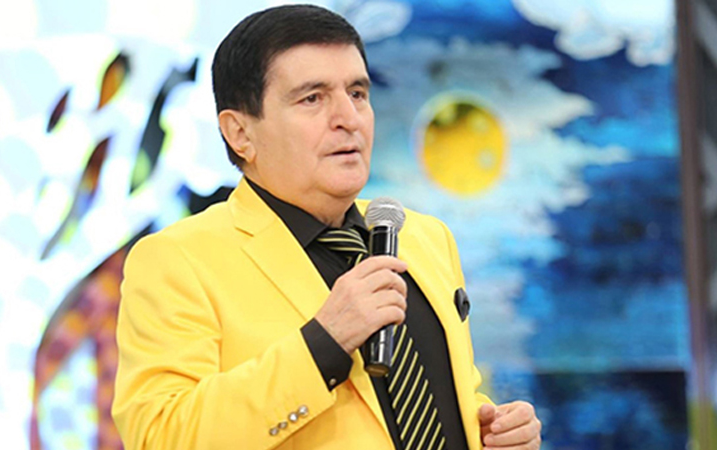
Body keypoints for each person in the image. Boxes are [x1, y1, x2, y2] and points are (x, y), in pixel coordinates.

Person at [112, 4, 541, 450]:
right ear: (239, 133)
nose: (349, 118)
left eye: (357, 93)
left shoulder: (424, 237)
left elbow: (423, 405)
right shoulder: (177, 260)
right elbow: (162, 435)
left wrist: (490, 430)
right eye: (312, 99)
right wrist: (324, 343)